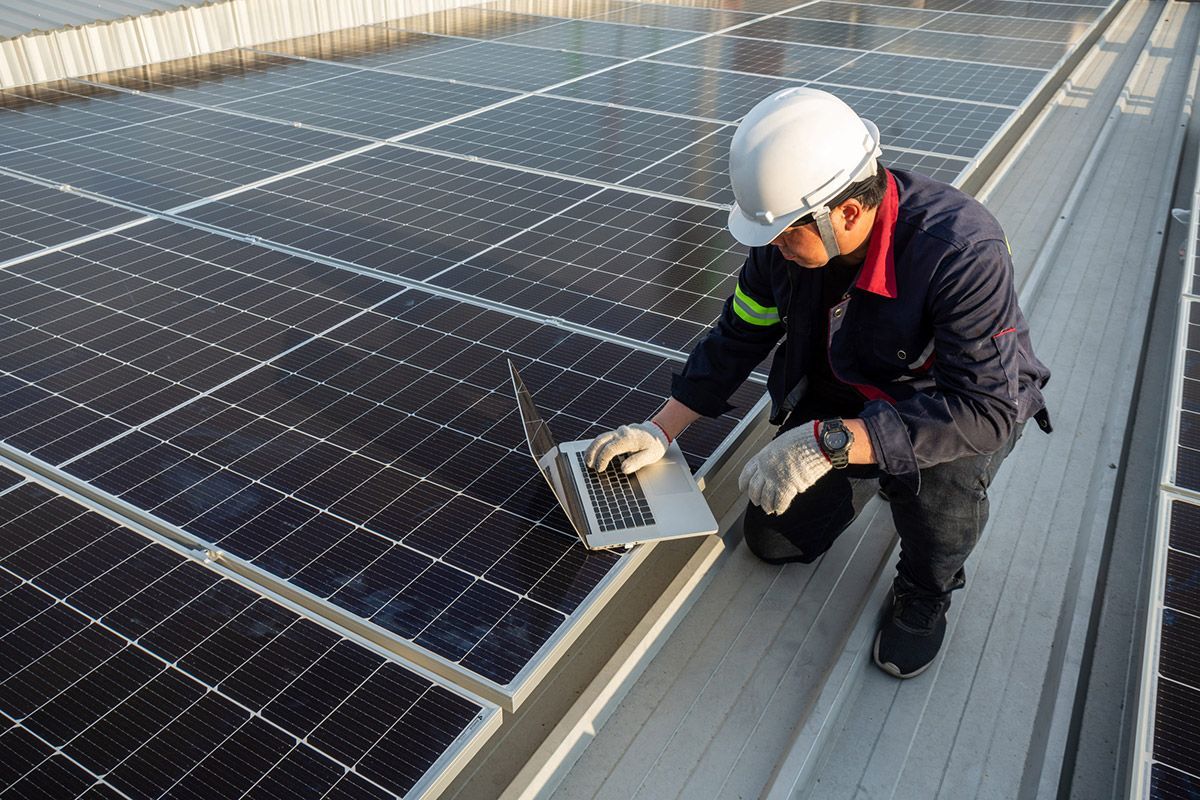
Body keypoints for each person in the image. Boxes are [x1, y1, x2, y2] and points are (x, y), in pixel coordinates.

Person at [584, 87, 1051, 679]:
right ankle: (872, 473)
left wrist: (831, 443)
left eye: (782, 233)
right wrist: (660, 429)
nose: (771, 245)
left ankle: (927, 589)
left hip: (939, 412)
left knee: (940, 496)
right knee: (773, 538)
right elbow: (737, 336)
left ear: (847, 213)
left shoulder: (959, 250)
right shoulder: (783, 249)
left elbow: (986, 409)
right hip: (847, 395)